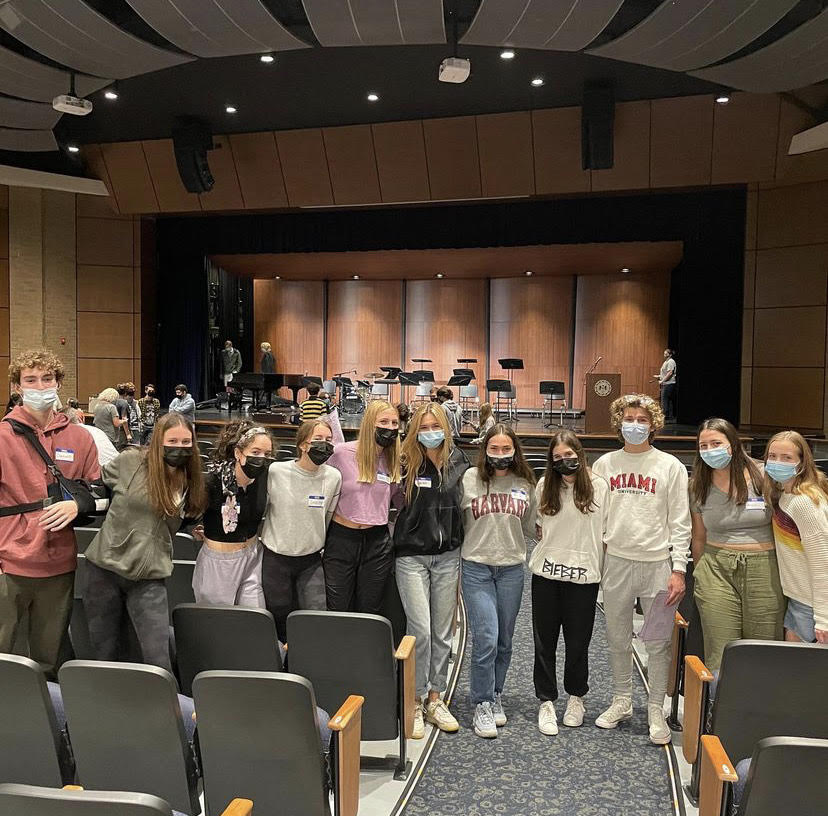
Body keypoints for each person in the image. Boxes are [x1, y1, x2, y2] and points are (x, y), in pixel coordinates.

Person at [591, 394, 690, 745]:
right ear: (619, 422)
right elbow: (594, 517)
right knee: (617, 636)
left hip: (657, 566)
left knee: (658, 642)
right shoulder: (604, 465)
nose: (635, 424)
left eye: (642, 419)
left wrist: (678, 569)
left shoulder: (670, 467)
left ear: (654, 424)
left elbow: (681, 522)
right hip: (616, 562)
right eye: (629, 418)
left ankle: (654, 707)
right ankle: (622, 700)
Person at [0, 349, 100, 677]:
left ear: (58, 382)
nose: (40, 386)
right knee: (4, 655)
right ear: (17, 387)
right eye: (30, 379)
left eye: (47, 378)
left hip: (59, 565)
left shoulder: (81, 438)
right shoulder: (2, 437)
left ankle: (44, 724)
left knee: (48, 657)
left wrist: (78, 504)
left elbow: (99, 495)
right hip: (8, 562)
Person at [83, 412, 207, 672]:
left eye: (186, 443)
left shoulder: (192, 480)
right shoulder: (130, 461)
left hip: (150, 578)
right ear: (159, 440)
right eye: (173, 441)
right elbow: (94, 487)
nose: (180, 448)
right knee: (104, 653)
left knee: (156, 657)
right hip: (104, 571)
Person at [394, 404, 469, 738]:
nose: (429, 432)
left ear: (446, 427)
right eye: (423, 426)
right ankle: (414, 699)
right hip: (411, 556)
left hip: (448, 556)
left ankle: (435, 698)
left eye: (434, 425)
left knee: (442, 631)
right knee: (420, 629)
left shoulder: (460, 462)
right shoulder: (405, 461)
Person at [460, 424, 537, 739]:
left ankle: (496, 693)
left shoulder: (525, 484)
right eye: (495, 449)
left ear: (515, 450)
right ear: (485, 450)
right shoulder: (470, 479)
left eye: (507, 449)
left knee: (505, 640)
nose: (501, 454)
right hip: (476, 567)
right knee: (487, 638)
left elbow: (534, 528)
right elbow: (456, 523)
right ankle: (481, 702)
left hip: (511, 570)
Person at [690, 418, 783, 669]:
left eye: (716, 443)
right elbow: (698, 537)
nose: (710, 450)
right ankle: (718, 707)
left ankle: (762, 707)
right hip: (716, 568)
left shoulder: (763, 474)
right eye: (704, 445)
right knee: (720, 650)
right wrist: (701, 573)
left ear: (732, 443)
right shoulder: (698, 484)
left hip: (763, 568)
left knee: (763, 647)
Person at [531, 430, 608, 736]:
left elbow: (606, 532)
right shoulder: (544, 486)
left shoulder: (600, 486)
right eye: (558, 457)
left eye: (570, 455)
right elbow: (538, 528)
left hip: (584, 577)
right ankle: (546, 700)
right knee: (544, 642)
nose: (565, 461)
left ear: (580, 453)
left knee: (578, 643)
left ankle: (576, 697)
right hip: (547, 576)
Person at [261, 419, 341, 641]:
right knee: (277, 614)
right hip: (276, 559)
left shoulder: (333, 477)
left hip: (311, 560)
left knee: (316, 615)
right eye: (317, 440)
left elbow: (328, 516)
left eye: (328, 440)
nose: (324, 444)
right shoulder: (276, 471)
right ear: (303, 445)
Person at [324, 400, 401, 614]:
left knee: (370, 608)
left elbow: (398, 500)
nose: (391, 427)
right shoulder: (341, 453)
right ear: (369, 424)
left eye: (395, 423)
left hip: (377, 543)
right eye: (384, 421)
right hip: (342, 539)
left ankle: (365, 648)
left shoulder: (393, 460)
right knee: (338, 606)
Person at [192, 422, 272, 608]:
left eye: (267, 454)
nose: (262, 459)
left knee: (254, 619)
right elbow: (189, 513)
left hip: (252, 556)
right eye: (256, 452)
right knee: (219, 623)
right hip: (220, 562)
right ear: (238, 453)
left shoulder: (263, 478)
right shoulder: (211, 482)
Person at [764, 431, 828, 644]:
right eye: (772, 457)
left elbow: (822, 562)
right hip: (798, 599)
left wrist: (823, 619)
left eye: (787, 458)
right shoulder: (786, 494)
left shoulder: (804, 502)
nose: (777, 462)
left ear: (801, 463)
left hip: (811, 606)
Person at [654, 349, 677, 423]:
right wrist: (659, 376)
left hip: (668, 384)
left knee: (664, 401)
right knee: (668, 401)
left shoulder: (671, 362)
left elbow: (670, 373)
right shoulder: (666, 362)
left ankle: (665, 417)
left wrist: (662, 381)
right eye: (664, 353)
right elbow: (665, 373)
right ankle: (669, 417)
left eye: (666, 354)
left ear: (670, 355)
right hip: (666, 383)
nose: (664, 355)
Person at [114, 383, 133, 449]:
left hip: (114, 430)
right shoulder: (124, 403)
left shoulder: (114, 401)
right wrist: (128, 434)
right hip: (122, 431)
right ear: (125, 393)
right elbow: (124, 418)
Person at [260, 342, 276, 409]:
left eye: (262, 348)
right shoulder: (271, 355)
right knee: (268, 392)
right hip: (270, 375)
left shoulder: (266, 355)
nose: (261, 349)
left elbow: (267, 366)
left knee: (267, 391)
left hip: (267, 375)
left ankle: (267, 404)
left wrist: (265, 376)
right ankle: (268, 404)